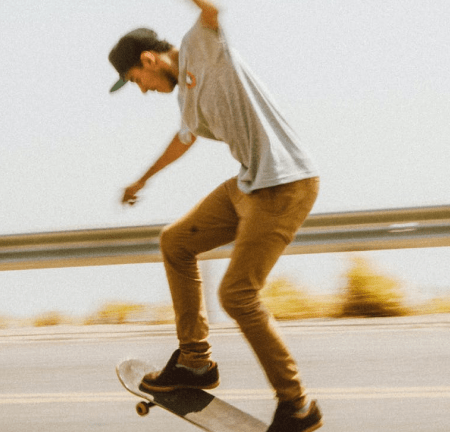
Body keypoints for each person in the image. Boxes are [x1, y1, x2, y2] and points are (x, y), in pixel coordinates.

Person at [108, 1, 322, 431]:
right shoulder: (185, 98)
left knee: (238, 295)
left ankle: (296, 403)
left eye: (137, 80)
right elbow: (183, 139)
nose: (144, 89)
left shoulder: (201, 44)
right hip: (249, 185)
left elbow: (210, 10)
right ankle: (194, 363)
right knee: (175, 242)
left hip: (284, 184)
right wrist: (142, 180)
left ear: (149, 60)